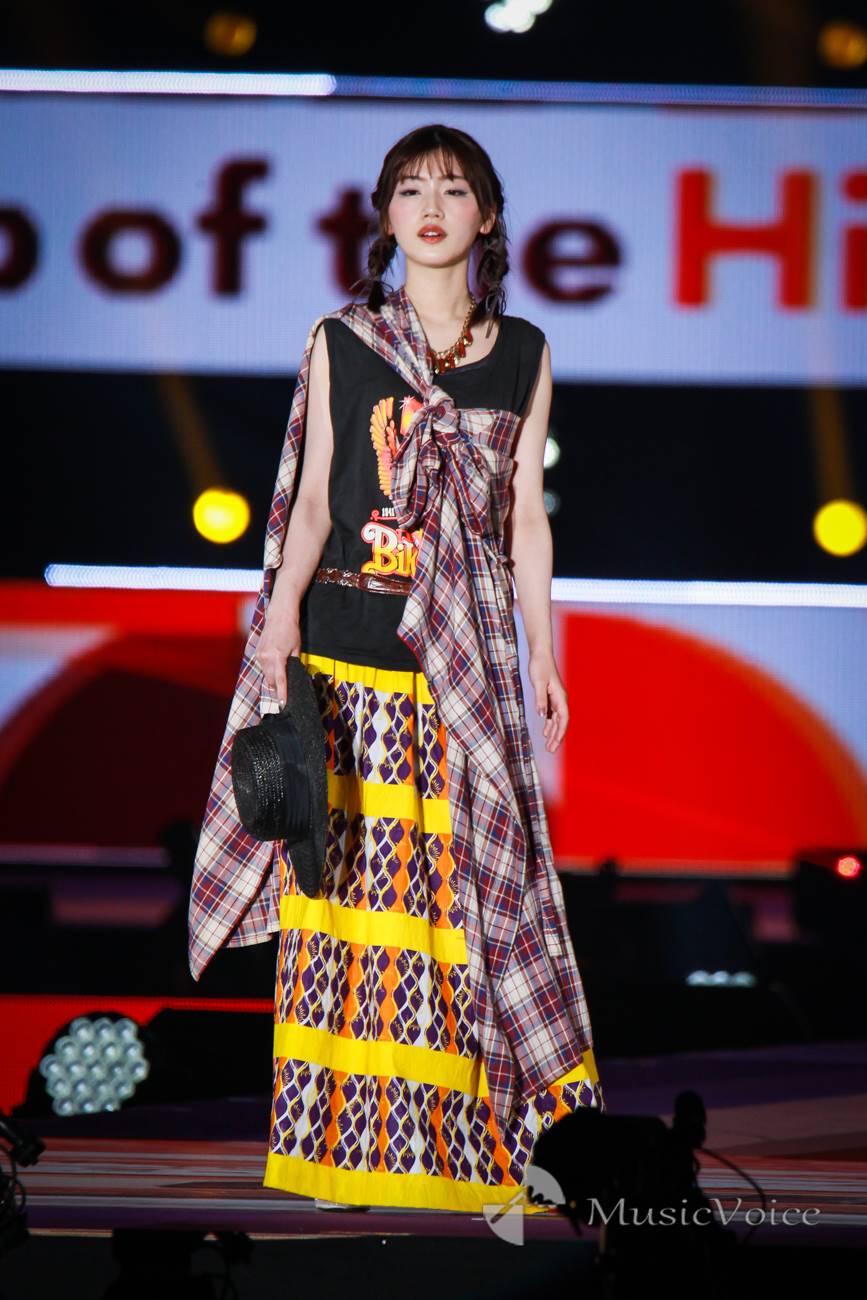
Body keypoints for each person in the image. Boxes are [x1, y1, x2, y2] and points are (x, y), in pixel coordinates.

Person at [191, 123, 604, 1215]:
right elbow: (312, 500)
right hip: (342, 660)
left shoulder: (523, 352)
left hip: (461, 667)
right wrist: (276, 621)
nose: (431, 207)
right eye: (411, 189)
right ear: (384, 216)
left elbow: (524, 519)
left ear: (487, 216)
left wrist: (544, 649)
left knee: (461, 908)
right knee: (343, 908)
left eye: (454, 190)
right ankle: (338, 1146)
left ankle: (470, 1148)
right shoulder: (343, 340)